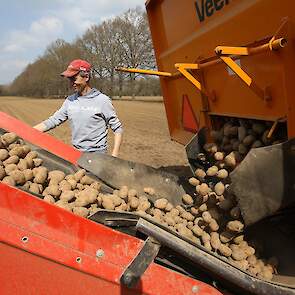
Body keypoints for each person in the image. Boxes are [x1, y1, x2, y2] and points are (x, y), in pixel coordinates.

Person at [34, 59, 123, 157]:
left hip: (98, 156)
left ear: (86, 77)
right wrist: (28, 132)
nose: (72, 83)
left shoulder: (102, 100)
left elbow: (117, 128)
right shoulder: (70, 101)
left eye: (74, 79)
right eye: (70, 79)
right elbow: (53, 121)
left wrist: (114, 155)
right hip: (76, 154)